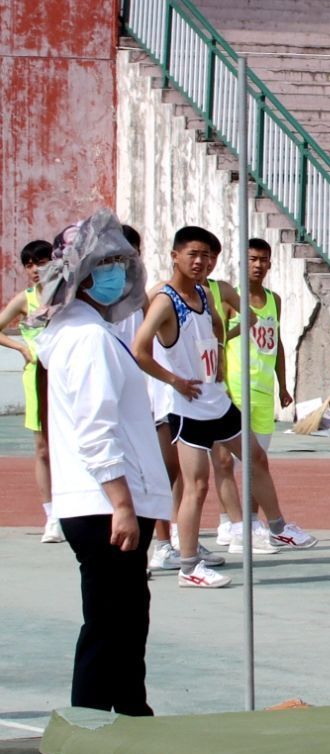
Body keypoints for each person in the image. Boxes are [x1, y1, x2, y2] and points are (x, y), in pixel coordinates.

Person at [34, 212, 171, 714]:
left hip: (103, 500)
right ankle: (91, 727)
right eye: (106, 262)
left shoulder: (81, 331)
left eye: (121, 261)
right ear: (83, 274)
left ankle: (131, 716)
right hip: (104, 503)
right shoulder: (88, 339)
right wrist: (122, 505)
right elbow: (97, 427)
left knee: (124, 621)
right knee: (111, 624)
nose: (117, 272)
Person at [131, 226, 241, 588]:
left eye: (208, 256)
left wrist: (219, 361)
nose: (201, 262)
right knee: (173, 477)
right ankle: (168, 550)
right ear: (175, 255)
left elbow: (210, 336)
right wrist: (173, 380)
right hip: (172, 402)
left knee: (202, 475)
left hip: (207, 398)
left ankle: (184, 546)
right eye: (194, 254)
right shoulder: (160, 298)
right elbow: (140, 349)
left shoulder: (204, 295)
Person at [210, 239, 317, 551]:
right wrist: (223, 383)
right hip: (235, 388)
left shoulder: (274, 300)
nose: (258, 265)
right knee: (226, 461)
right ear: (244, 262)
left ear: (270, 264)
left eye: (264, 260)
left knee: (257, 463)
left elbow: (278, 344)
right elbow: (219, 340)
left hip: (263, 391)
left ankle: (251, 524)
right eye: (253, 259)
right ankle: (229, 524)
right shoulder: (231, 298)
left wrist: (283, 385)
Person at [0, 239, 59, 542]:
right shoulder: (24, 300)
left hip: (65, 377)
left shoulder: (67, 295)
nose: (36, 269)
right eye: (30, 264)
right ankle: (52, 516)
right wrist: (20, 347)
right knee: (43, 448)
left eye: (42, 261)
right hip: (36, 377)